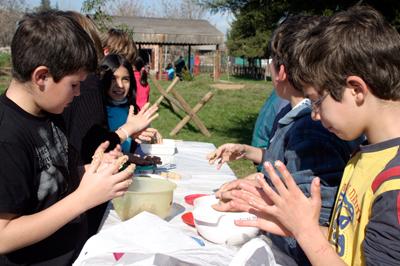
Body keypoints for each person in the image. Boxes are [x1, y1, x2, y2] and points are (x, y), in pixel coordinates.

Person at [227, 5, 400, 265]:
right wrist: (294, 224)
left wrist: (307, 233)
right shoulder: (365, 155)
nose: (315, 115)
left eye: (317, 101)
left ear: (356, 89)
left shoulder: (394, 185)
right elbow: (347, 246)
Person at [208, 14, 362, 265]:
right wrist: (250, 153)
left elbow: (311, 222)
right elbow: (286, 161)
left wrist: (256, 203)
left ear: (280, 70)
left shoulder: (311, 129)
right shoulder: (299, 120)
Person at [0, 11, 135, 265]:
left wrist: (92, 171)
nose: (79, 92)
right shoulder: (7, 137)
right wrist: (82, 199)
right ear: (41, 77)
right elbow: (3, 236)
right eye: (74, 84)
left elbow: (51, 177)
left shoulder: (49, 113)